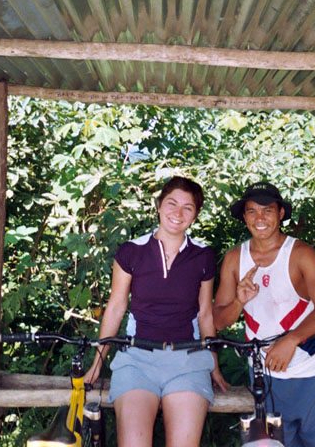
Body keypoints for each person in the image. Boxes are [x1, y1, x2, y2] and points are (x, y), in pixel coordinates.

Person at [84, 176, 228, 447]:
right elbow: (116, 307)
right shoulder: (131, 251)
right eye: (172, 203)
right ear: (159, 206)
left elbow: (205, 313)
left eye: (188, 207)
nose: (178, 213)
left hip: (188, 360)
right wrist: (97, 363)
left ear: (195, 216)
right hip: (138, 359)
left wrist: (214, 365)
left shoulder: (203, 255)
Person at [213, 182, 315, 447]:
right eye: (252, 211)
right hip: (265, 381)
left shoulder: (301, 253)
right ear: (244, 216)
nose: (259, 218)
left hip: (314, 376)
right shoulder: (235, 259)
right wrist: (238, 301)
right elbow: (218, 321)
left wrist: (291, 340)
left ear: (281, 213)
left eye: (267, 210)